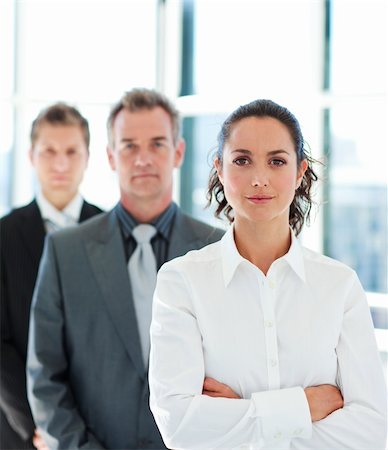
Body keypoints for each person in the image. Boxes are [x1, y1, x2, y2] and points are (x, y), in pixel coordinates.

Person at [149, 99, 387, 449]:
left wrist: (241, 417)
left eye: (277, 161)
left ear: (300, 171)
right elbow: (179, 426)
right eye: (242, 160)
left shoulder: (339, 285)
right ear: (220, 168)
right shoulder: (181, 282)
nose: (259, 179)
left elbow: (373, 430)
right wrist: (303, 407)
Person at [26, 88, 224, 450]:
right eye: (129, 145)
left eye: (157, 144)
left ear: (178, 152)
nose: (143, 158)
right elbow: (44, 376)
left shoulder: (219, 248)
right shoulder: (64, 251)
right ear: (111, 156)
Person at [0, 103, 103, 450]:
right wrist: (38, 425)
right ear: (31, 155)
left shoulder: (113, 232)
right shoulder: (3, 236)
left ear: (88, 157)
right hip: (21, 431)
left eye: (72, 151)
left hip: (98, 426)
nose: (61, 163)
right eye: (49, 151)